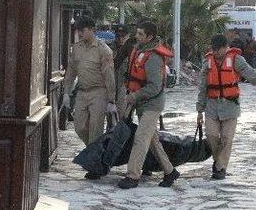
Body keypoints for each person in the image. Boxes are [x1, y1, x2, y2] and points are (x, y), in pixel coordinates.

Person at [197, 34, 256, 180]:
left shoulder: (236, 60)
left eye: (218, 50)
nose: (215, 53)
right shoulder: (207, 62)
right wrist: (199, 110)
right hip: (211, 106)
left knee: (227, 138)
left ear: (225, 48)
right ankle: (218, 161)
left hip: (230, 105)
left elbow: (252, 75)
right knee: (212, 136)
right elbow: (203, 87)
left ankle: (220, 167)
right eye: (213, 50)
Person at [118, 19, 180, 189]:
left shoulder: (153, 57)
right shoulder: (139, 50)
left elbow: (154, 87)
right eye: (137, 32)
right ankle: (170, 171)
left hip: (152, 104)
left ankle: (132, 176)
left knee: (141, 138)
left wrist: (134, 96)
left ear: (150, 36)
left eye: (140, 34)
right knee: (152, 140)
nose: (136, 36)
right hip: (141, 103)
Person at [63, 16, 117, 179]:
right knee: (79, 127)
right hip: (82, 92)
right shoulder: (76, 48)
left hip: (98, 92)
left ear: (92, 30)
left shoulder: (103, 49)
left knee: (95, 129)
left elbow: (109, 75)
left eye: (83, 30)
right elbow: (71, 70)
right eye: (78, 30)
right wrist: (66, 91)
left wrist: (111, 99)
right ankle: (96, 153)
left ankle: (95, 167)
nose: (80, 33)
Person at [113, 24, 135, 117]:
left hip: (126, 84)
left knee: (122, 109)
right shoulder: (109, 49)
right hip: (112, 83)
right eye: (118, 36)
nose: (121, 39)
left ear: (128, 36)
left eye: (123, 36)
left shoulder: (133, 49)